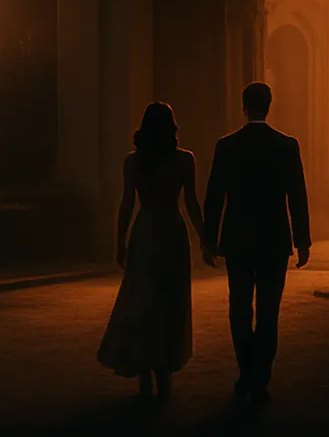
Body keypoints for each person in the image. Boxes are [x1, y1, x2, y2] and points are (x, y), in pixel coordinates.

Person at [203, 81, 310, 408]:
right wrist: (302, 240)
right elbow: (297, 195)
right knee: (267, 313)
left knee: (239, 309)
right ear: (269, 105)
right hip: (274, 238)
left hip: (237, 239)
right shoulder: (286, 146)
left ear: (243, 106)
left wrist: (209, 239)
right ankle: (259, 377)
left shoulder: (226, 146)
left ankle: (246, 370)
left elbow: (214, 196)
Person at [97, 101, 212, 401]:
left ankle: (144, 366)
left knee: (142, 299)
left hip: (145, 230)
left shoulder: (133, 162)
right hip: (172, 231)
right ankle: (164, 367)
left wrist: (120, 241)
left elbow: (126, 205)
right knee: (169, 300)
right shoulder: (184, 160)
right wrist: (204, 237)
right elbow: (191, 203)